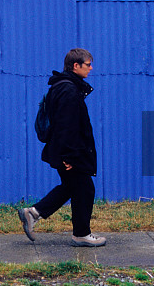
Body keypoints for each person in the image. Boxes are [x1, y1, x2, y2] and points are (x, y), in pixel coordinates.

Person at [18, 48, 105, 247]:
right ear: (76, 66)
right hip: (68, 152)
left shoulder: (64, 87)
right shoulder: (68, 90)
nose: (91, 68)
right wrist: (69, 156)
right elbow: (67, 126)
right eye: (88, 64)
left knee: (74, 187)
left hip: (64, 150)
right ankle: (81, 234)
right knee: (84, 188)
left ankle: (34, 213)